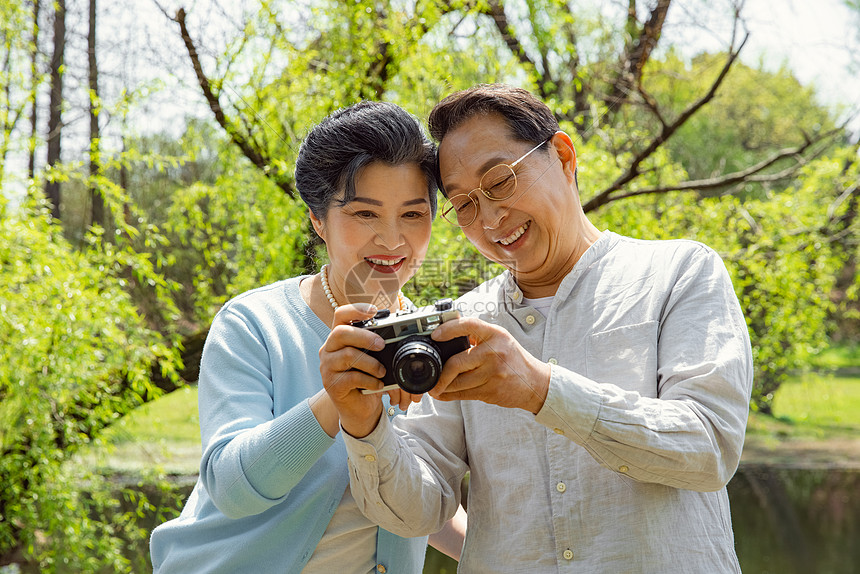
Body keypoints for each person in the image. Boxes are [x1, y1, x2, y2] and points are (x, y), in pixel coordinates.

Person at [323, 84, 754, 572]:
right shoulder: (462, 323)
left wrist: (539, 390)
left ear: (564, 156)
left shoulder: (679, 272)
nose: (489, 218)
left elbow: (709, 447)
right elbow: (416, 512)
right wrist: (365, 427)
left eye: (501, 181)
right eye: (463, 204)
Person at [149, 100, 465, 573]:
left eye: (413, 215)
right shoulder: (253, 324)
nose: (393, 240)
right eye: (365, 214)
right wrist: (336, 399)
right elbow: (231, 488)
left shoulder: (430, 345)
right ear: (318, 219)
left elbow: (415, 499)